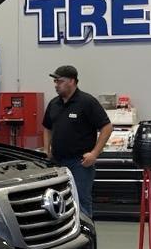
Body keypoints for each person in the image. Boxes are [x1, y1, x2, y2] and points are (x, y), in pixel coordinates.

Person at [42, 65, 112, 218]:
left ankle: (84, 237)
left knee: (81, 201)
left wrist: (94, 153)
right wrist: (46, 150)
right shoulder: (54, 103)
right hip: (57, 162)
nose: (56, 85)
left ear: (72, 81)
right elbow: (47, 127)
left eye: (59, 81)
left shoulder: (87, 102)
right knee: (57, 202)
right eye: (55, 81)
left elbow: (106, 127)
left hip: (80, 164)